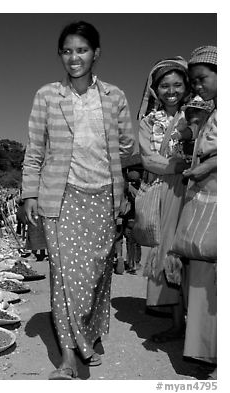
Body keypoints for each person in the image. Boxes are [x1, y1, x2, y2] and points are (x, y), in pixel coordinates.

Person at [21, 21, 135, 380]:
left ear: (96, 54)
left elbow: (128, 145)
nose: (74, 58)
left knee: (97, 272)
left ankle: (88, 333)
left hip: (104, 195)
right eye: (67, 51)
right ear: (60, 55)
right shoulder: (47, 96)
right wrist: (30, 193)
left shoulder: (114, 97)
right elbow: (35, 149)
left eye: (82, 50)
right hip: (62, 195)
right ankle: (68, 357)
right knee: (66, 276)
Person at [136, 57, 193, 342]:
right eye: (164, 86)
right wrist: (178, 166)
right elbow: (148, 158)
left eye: (177, 84)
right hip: (166, 192)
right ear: (155, 90)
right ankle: (177, 323)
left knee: (194, 253)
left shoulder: (199, 115)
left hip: (196, 190)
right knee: (169, 251)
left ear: (186, 85)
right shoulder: (148, 122)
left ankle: (198, 325)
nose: (171, 90)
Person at [182, 45, 217, 379]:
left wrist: (208, 167)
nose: (197, 86)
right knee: (204, 276)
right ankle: (206, 351)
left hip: (217, 202)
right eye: (193, 80)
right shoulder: (214, 113)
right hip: (207, 200)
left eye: (202, 78)